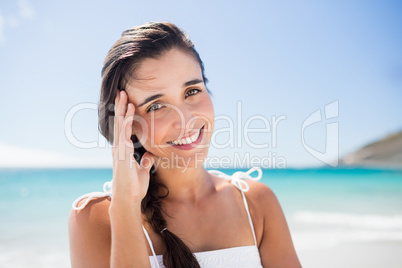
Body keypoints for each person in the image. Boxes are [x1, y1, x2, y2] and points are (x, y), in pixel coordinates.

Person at [68, 21, 302, 268]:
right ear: (128, 124)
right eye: (156, 106)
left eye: (192, 91)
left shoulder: (257, 203)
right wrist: (125, 207)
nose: (185, 119)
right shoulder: (94, 218)